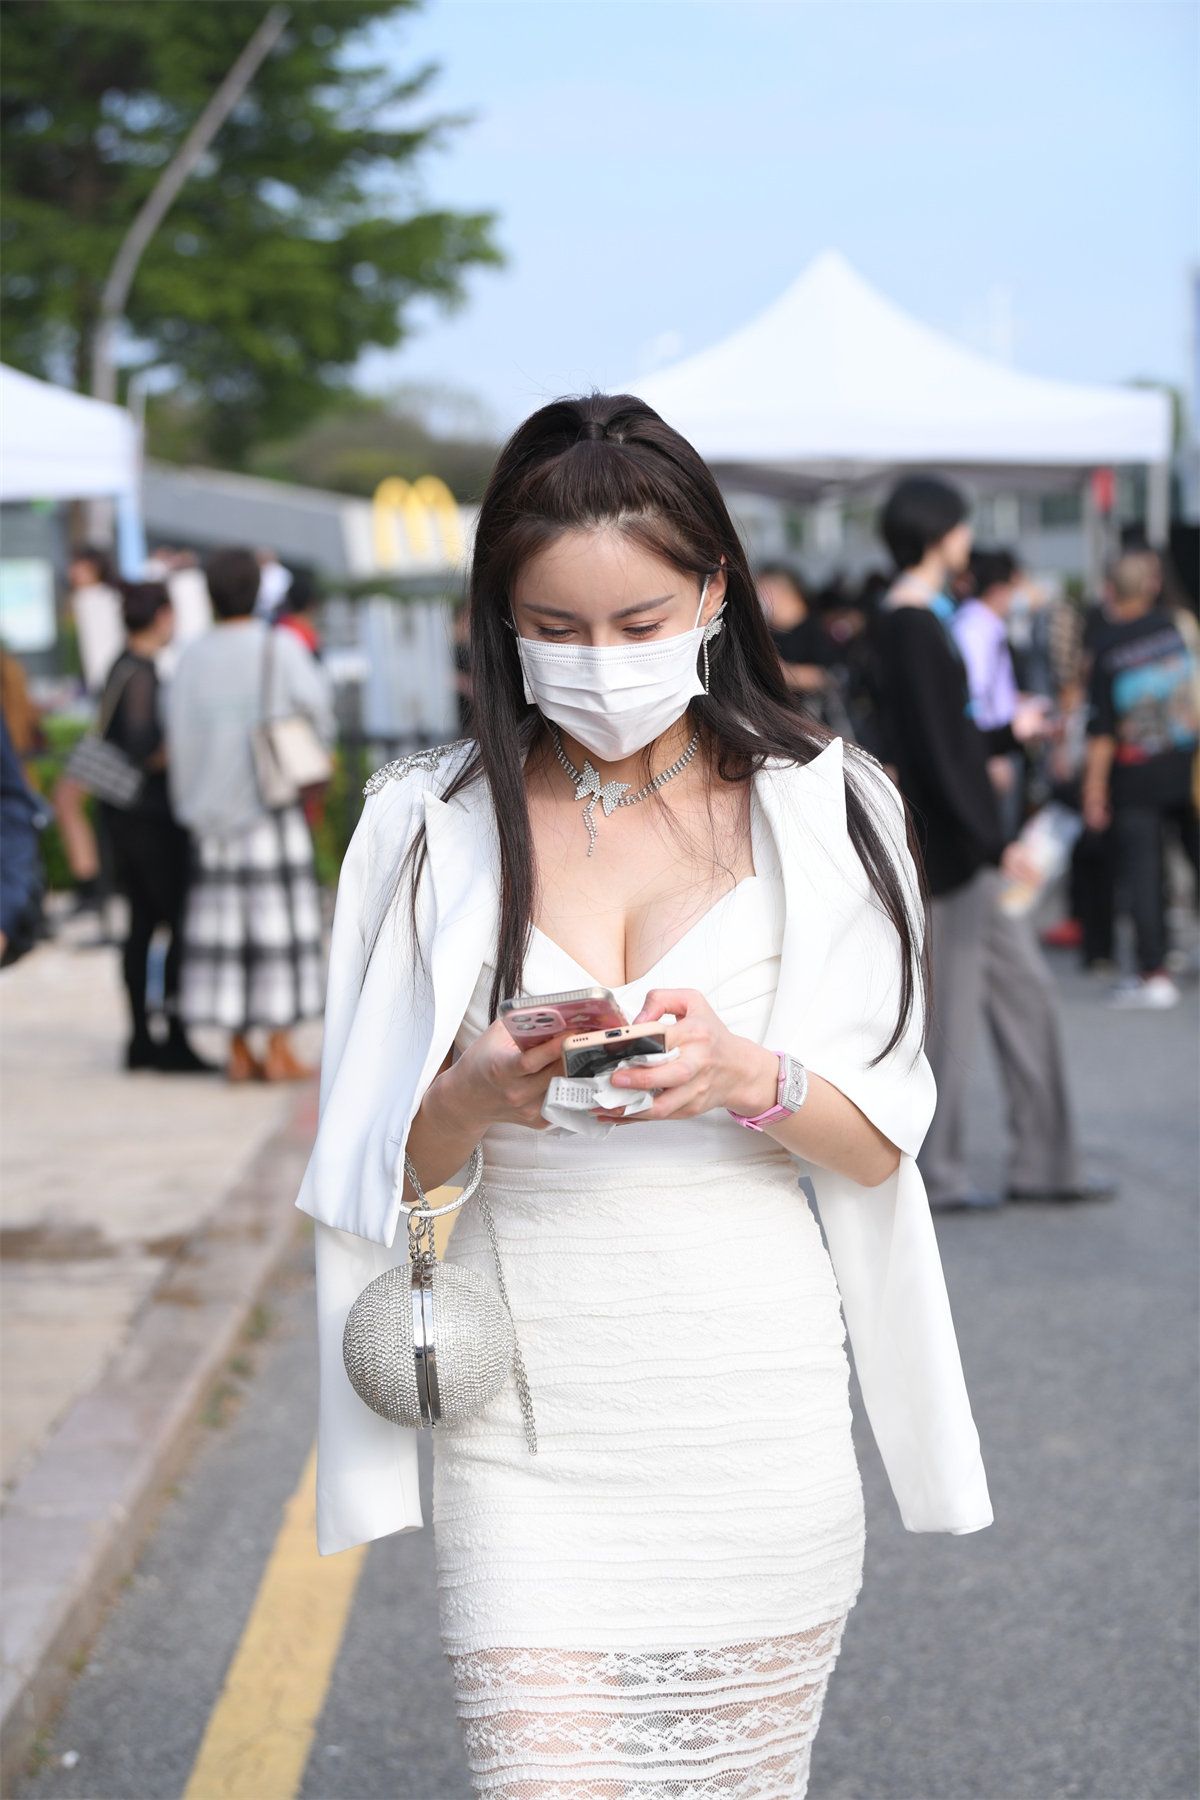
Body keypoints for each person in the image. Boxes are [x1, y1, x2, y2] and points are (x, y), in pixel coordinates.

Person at [297, 395, 993, 1798]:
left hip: (755, 1422)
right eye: (555, 628)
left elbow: (879, 1145)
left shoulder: (830, 807)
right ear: (501, 620)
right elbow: (377, 1167)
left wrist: (748, 1074)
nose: (600, 662)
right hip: (522, 1433)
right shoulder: (425, 825)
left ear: (716, 594)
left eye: (638, 622)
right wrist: (472, 1095)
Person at [870, 474, 1111, 1211]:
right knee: (951, 1019)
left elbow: (948, 740)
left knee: (1025, 997)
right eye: (960, 526)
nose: (967, 539)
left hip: (958, 846)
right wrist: (991, 839)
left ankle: (1046, 1163)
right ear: (937, 533)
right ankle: (940, 1174)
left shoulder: (916, 619)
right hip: (951, 852)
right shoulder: (913, 623)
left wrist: (1007, 734)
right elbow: (939, 754)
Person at [167, 547, 335, 1083]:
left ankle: (238, 1050)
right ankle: (280, 1046)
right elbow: (320, 710)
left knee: (224, 938)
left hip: (210, 816)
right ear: (257, 591)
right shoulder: (277, 646)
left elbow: (178, 734)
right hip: (270, 806)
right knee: (278, 933)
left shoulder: (190, 656)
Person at [97, 583, 213, 1072]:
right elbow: (144, 746)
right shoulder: (141, 672)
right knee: (177, 924)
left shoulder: (118, 667)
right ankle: (173, 1038)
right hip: (152, 819)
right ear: (162, 615)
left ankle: (141, 1038)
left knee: (142, 925)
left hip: (123, 817)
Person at [1083, 549, 1200, 1008]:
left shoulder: (1107, 648)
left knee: (1145, 875)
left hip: (1135, 778)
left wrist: (1094, 789)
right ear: (1151, 586)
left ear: (1110, 591)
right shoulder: (1175, 628)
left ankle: (1155, 973)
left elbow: (1102, 732)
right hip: (1186, 766)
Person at [951, 547, 1052, 832]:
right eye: (1015, 587)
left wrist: (1018, 701)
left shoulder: (985, 624)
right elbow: (972, 697)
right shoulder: (974, 629)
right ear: (998, 590)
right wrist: (991, 757)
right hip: (993, 748)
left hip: (1000, 742)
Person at [756, 561, 835, 716]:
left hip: (811, 718)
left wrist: (782, 673)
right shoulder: (764, 632)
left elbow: (826, 676)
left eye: (762, 590)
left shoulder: (817, 629)